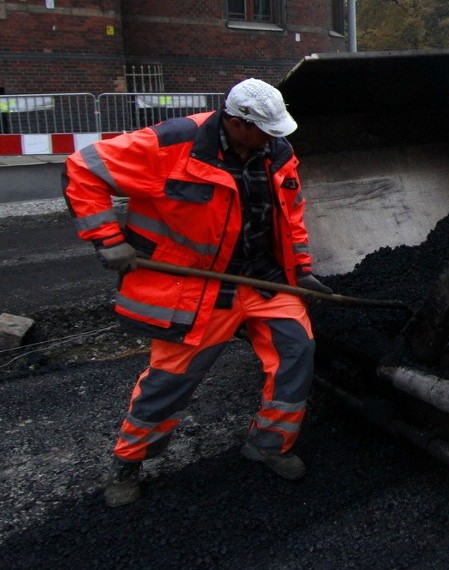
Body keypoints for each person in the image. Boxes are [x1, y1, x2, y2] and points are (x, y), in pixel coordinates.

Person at [62, 78, 332, 508]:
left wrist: (300, 271)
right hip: (199, 288)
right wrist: (107, 238)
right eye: (264, 129)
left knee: (296, 353)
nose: (273, 137)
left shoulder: (277, 151)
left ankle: (268, 443)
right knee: (171, 379)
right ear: (236, 121)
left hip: (264, 280)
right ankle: (129, 462)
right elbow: (82, 167)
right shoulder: (171, 145)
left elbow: (290, 215)